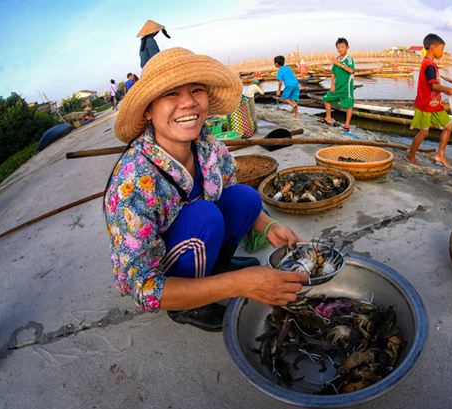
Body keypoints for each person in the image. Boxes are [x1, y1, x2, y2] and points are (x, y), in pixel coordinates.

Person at [106, 47, 308, 332]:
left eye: (196, 90)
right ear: (149, 110)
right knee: (204, 215)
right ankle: (188, 305)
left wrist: (270, 226)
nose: (188, 102)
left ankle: (214, 270)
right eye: (172, 93)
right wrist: (241, 284)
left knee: (246, 198)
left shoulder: (207, 144)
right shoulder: (132, 181)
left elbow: (229, 187)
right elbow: (144, 287)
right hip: (167, 268)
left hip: (196, 238)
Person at [405, 33, 452, 169]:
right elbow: (433, 85)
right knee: (423, 132)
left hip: (435, 104)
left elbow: (433, 86)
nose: (442, 52)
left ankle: (440, 154)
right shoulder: (429, 64)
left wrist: (443, 91)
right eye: (441, 49)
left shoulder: (431, 64)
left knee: (449, 126)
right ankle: (411, 156)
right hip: (425, 104)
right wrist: (448, 89)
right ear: (433, 48)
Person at [318, 37, 355, 132]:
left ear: (347, 47)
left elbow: (351, 70)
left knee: (349, 105)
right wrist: (332, 85)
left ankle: (347, 125)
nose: (340, 49)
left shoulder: (349, 59)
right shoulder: (336, 59)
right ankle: (328, 118)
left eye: (342, 47)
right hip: (337, 86)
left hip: (346, 87)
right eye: (338, 47)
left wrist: (340, 64)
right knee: (326, 98)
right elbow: (333, 72)